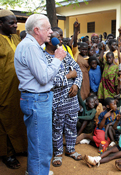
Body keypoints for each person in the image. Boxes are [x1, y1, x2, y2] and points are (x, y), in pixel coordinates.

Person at [14, 14, 66, 175]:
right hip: (37, 100)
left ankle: (37, 171)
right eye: (48, 28)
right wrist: (57, 59)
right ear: (37, 30)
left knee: (39, 142)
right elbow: (43, 78)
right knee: (40, 144)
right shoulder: (30, 47)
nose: (51, 32)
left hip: (38, 99)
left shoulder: (34, 46)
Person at [45, 30, 83, 167]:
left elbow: (78, 71)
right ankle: (58, 153)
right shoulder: (44, 57)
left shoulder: (65, 54)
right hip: (57, 101)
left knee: (72, 127)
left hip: (72, 100)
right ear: (49, 41)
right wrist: (68, 76)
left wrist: (76, 85)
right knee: (57, 128)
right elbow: (48, 81)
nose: (61, 40)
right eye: (58, 38)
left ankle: (71, 150)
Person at [0, 9, 27, 169]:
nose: (15, 25)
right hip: (4, 88)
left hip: (19, 87)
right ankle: (7, 153)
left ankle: (20, 148)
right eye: (11, 22)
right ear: (1, 23)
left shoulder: (16, 38)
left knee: (19, 118)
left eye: (16, 22)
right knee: (5, 120)